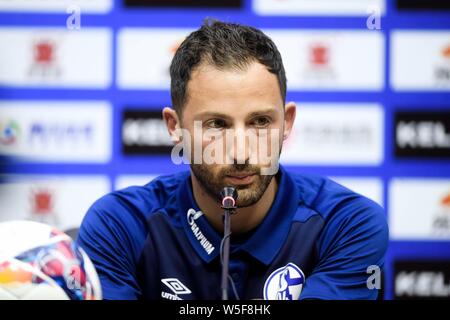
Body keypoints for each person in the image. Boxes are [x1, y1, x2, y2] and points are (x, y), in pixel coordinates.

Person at [77, 20, 388, 300]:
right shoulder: (118, 225)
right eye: (217, 124)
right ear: (175, 127)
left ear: (287, 121)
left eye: (260, 122)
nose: (241, 152)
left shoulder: (349, 224)